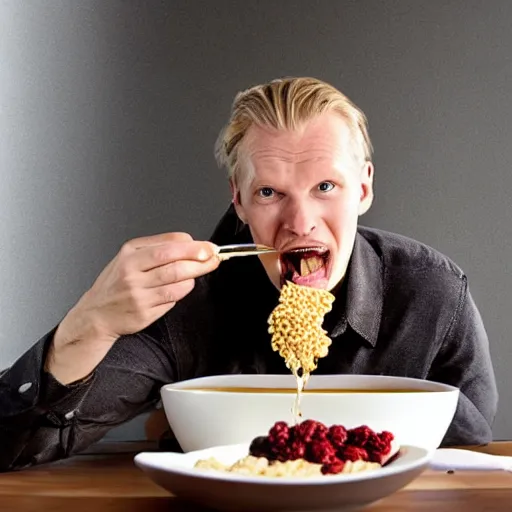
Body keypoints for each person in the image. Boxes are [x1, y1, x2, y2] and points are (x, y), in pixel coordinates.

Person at [0, 76, 498, 472]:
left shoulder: (431, 292)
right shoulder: (183, 299)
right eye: (269, 193)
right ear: (238, 200)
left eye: (325, 185)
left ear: (363, 189)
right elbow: (16, 447)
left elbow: (470, 447)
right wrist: (89, 324)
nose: (300, 222)